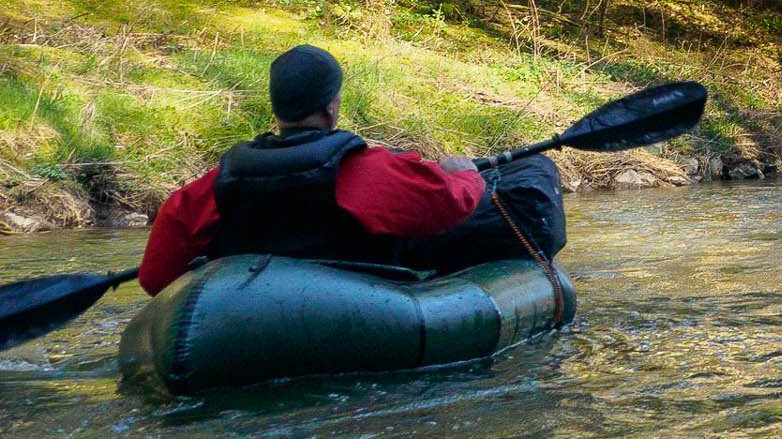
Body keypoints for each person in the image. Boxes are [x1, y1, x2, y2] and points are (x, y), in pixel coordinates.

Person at [137, 44, 563, 294]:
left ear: (278, 108)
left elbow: (156, 278)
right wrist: (464, 173)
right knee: (532, 176)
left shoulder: (216, 185)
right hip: (358, 302)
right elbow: (450, 205)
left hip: (248, 305)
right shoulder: (365, 172)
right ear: (331, 106)